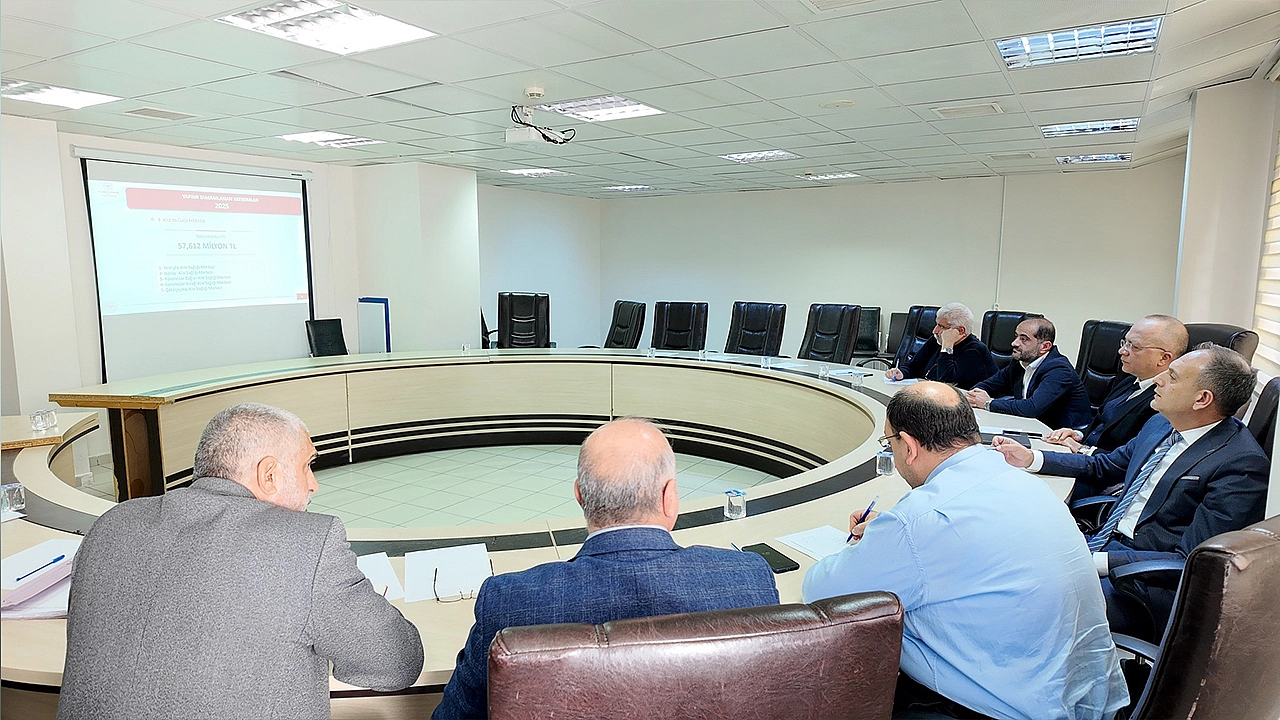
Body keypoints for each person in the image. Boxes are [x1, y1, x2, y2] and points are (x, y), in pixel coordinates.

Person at [59, 403, 424, 720]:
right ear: (269, 475)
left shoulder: (111, 525)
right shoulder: (309, 543)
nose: (314, 484)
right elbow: (397, 662)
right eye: (307, 467)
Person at [803, 383, 1128, 720]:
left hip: (993, 709)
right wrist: (889, 538)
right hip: (1083, 698)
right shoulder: (1023, 481)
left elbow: (822, 593)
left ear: (909, 446)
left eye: (890, 443)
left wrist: (875, 542)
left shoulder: (919, 521)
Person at [433, 418, 779, 719]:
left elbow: (455, 715)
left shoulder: (508, 602)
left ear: (580, 496)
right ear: (669, 497)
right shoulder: (750, 580)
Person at [994, 344, 1269, 633]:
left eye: (1173, 376)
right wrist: (1033, 458)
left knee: (1021, 597)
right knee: (1006, 555)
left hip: (1141, 582)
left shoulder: (1241, 465)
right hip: (1105, 543)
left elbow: (1191, 560)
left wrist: (1095, 560)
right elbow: (1104, 466)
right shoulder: (1161, 424)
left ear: (1202, 399)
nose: (1159, 379)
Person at [1044, 315, 1188, 462]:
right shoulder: (1130, 379)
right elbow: (1102, 422)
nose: (1122, 351)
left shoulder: (1164, 401)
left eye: (1134, 346)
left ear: (1164, 358)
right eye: (1125, 343)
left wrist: (1083, 449)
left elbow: (1130, 459)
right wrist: (1077, 434)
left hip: (1101, 467)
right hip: (1084, 456)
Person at [967, 317, 1092, 429]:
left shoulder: (1059, 370)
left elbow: (1032, 408)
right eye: (1016, 336)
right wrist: (975, 395)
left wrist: (988, 403)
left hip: (1063, 435)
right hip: (1030, 425)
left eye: (1024, 339)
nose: (1014, 343)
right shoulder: (1019, 362)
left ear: (1045, 347)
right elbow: (989, 385)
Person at [886, 302, 998, 389]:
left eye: (942, 327)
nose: (935, 330)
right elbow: (914, 366)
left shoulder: (975, 350)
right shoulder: (936, 340)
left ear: (960, 330)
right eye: (937, 324)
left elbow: (946, 382)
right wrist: (902, 372)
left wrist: (947, 345)